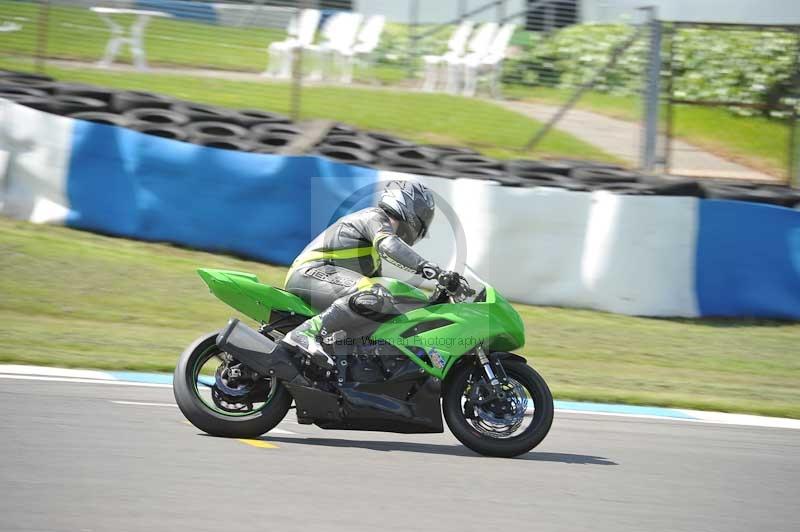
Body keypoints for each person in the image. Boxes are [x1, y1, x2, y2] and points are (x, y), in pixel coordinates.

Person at [281, 180, 453, 369]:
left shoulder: (372, 256)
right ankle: (305, 334)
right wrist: (430, 269)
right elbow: (389, 246)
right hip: (310, 271)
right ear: (412, 209)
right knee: (376, 294)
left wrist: (430, 303)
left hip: (322, 280)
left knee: (382, 303)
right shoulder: (374, 217)